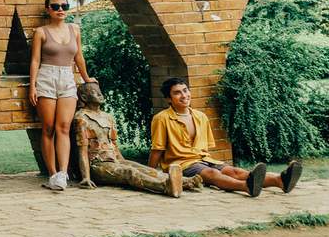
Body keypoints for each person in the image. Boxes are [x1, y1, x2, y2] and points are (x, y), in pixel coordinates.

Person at [149, 78, 301, 198]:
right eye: (177, 93)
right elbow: (157, 148)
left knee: (236, 171)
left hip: (204, 159)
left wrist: (205, 162)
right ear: (168, 99)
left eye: (185, 90)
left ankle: (280, 181)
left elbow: (204, 147)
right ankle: (247, 187)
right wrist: (149, 173)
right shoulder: (161, 119)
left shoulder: (200, 116)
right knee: (213, 174)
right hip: (182, 164)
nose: (184, 95)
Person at [73, 81, 198, 197]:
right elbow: (82, 150)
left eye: (100, 91)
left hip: (114, 161)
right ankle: (165, 186)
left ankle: (185, 181)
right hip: (97, 166)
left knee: (142, 168)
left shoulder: (107, 117)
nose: (100, 94)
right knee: (129, 172)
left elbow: (114, 146)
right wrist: (86, 177)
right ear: (84, 97)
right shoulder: (81, 118)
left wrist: (123, 161)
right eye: (94, 92)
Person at [28, 0, 96, 191]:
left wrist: (86, 78)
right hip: (46, 77)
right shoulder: (41, 32)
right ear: (48, 9)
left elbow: (79, 57)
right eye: (55, 6)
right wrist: (33, 85)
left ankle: (63, 173)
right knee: (48, 127)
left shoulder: (74, 29)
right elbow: (35, 60)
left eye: (64, 6)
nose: (60, 10)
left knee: (64, 127)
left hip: (67, 78)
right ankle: (52, 174)